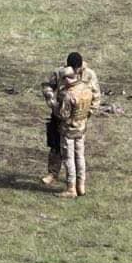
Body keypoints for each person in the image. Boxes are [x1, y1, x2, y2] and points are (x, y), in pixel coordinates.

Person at [41, 51, 101, 184]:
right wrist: (52, 101)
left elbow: (96, 96)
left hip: (78, 118)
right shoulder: (60, 73)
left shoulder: (89, 75)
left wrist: (87, 113)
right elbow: (47, 85)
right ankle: (53, 173)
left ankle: (75, 182)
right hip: (60, 113)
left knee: (76, 151)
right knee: (55, 145)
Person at [54, 66, 94, 198]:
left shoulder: (69, 94)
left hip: (69, 130)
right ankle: (81, 186)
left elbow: (63, 115)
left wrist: (55, 107)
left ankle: (71, 188)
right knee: (80, 157)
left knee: (69, 158)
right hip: (81, 128)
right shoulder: (86, 88)